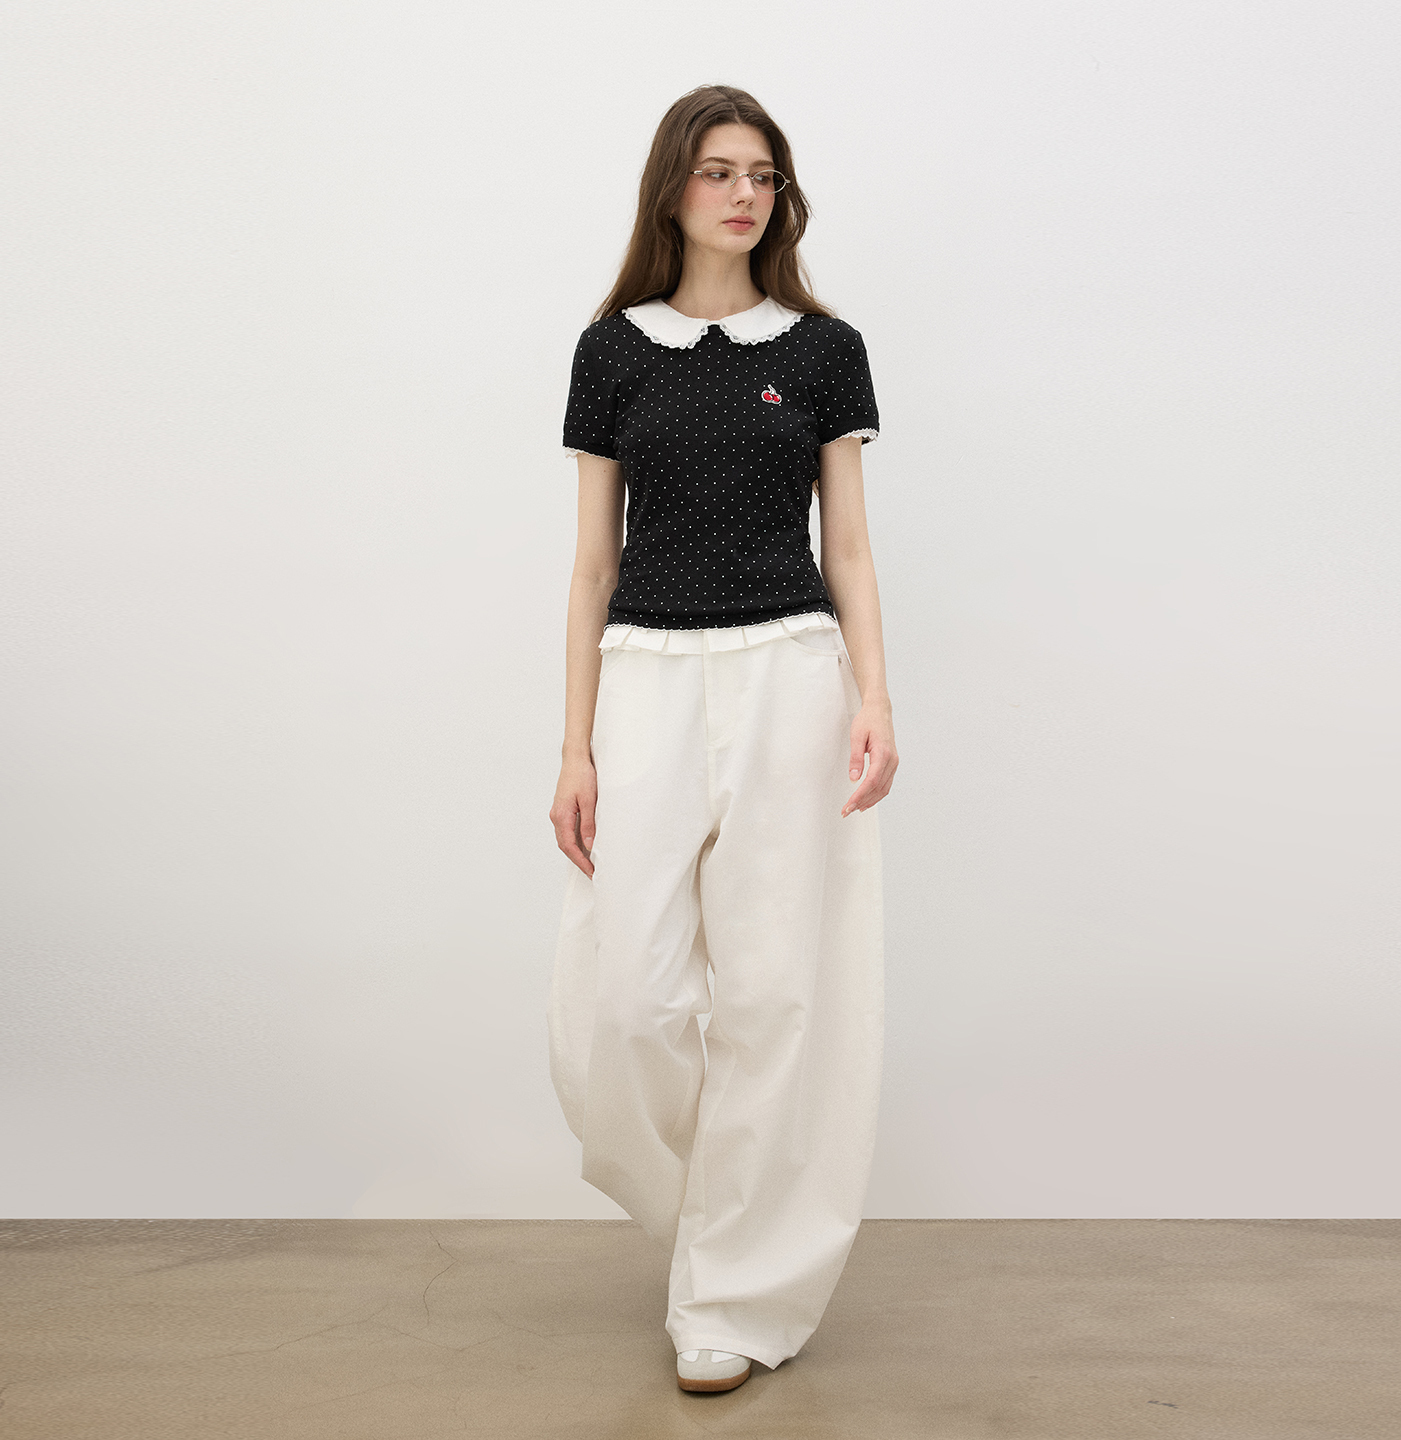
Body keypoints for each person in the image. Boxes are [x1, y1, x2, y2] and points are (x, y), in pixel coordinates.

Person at [546, 83, 898, 1395]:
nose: (744, 194)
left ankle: (731, 1301)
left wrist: (875, 697)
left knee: (772, 991)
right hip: (645, 673)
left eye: (763, 174)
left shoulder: (823, 349)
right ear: (673, 190)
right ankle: (712, 1212)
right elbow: (592, 566)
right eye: (718, 172)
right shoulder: (611, 352)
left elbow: (847, 545)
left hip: (790, 674)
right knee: (632, 1000)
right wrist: (574, 747)